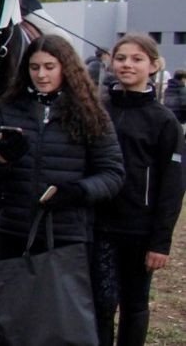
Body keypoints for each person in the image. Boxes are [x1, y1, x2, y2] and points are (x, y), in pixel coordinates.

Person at [0, 34, 124, 345]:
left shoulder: (90, 113)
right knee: (11, 321)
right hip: (13, 233)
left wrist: (78, 191)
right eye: (34, 67)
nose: (41, 74)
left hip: (67, 235)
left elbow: (112, 173)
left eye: (49, 66)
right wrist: (2, 157)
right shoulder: (9, 109)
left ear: (66, 68)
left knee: (60, 324)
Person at [93, 34, 184, 345]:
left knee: (134, 304)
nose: (127, 65)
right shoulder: (97, 110)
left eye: (137, 59)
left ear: (154, 66)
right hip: (98, 226)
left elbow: (173, 186)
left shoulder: (164, 121)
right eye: (121, 58)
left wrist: (161, 242)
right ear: (110, 62)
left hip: (139, 231)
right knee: (101, 303)